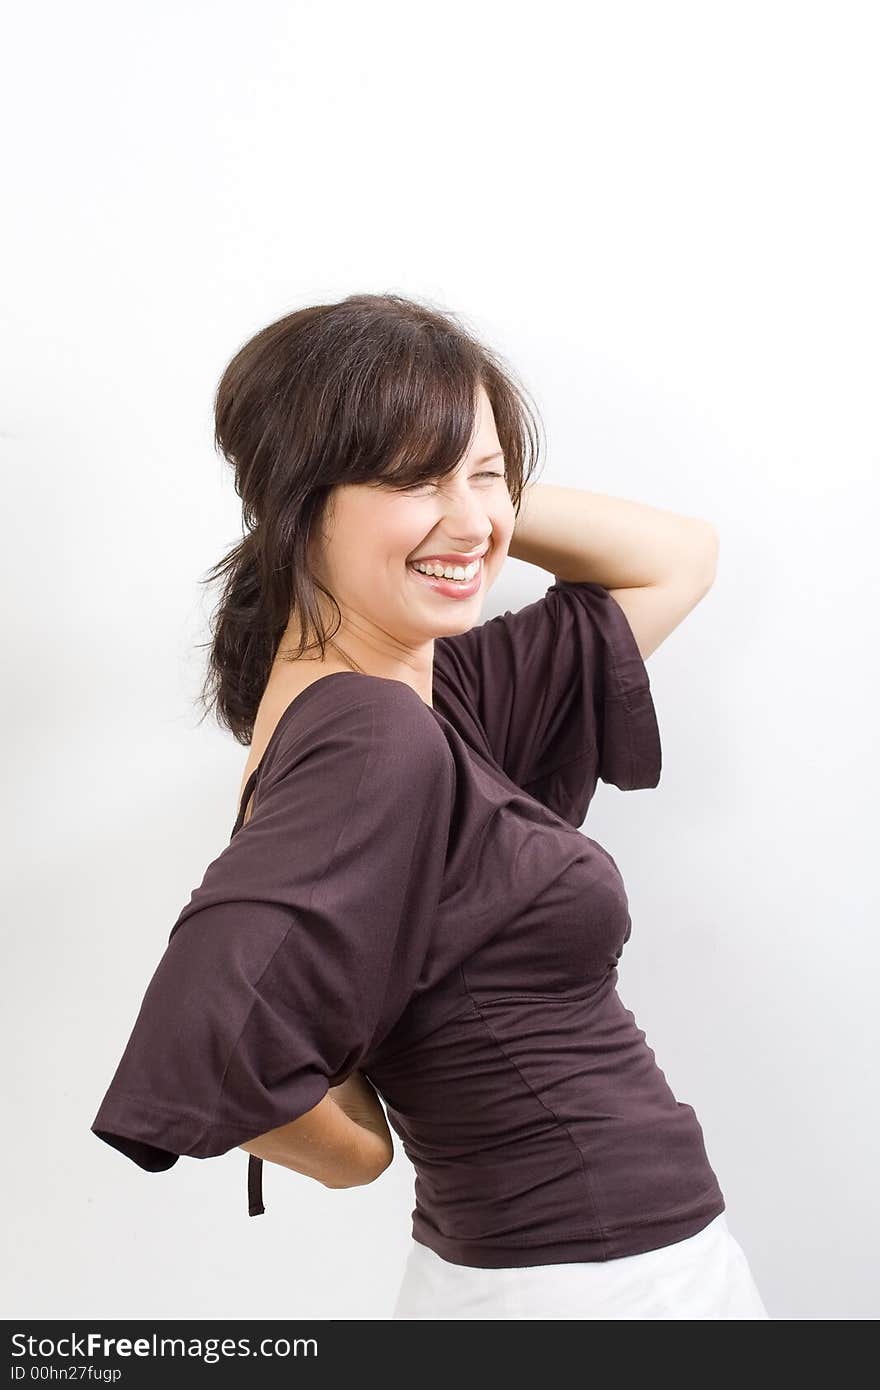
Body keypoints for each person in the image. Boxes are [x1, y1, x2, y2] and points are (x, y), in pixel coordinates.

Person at [90, 291, 769, 1319]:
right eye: (411, 476)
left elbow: (680, 558)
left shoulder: (431, 695)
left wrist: (470, 497)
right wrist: (358, 1150)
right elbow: (206, 1028)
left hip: (572, 1273)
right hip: (593, 1289)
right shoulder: (373, 735)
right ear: (298, 498)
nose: (476, 520)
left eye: (488, 474)